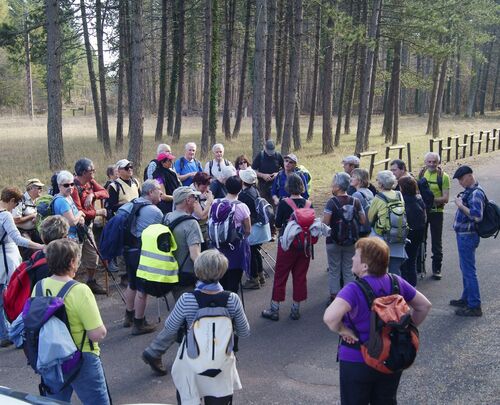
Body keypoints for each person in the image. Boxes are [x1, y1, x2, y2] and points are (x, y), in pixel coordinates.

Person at [323, 237, 432, 405]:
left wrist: (343, 330)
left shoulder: (353, 289)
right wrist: (404, 329)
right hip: (390, 356)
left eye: (356, 255)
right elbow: (424, 306)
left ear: (365, 266)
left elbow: (330, 318)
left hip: (357, 360)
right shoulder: (396, 281)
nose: (352, 258)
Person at [143, 250, 250, 404]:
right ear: (222, 271)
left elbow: (170, 327)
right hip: (221, 361)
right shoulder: (232, 299)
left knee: (188, 394)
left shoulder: (187, 299)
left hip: (192, 360)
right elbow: (244, 331)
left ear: (198, 270)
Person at [142, 186, 204, 375]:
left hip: (170, 273)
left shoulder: (167, 217)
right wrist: (209, 275)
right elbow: (196, 256)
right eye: (195, 199)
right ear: (187, 201)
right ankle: (156, 351)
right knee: (187, 317)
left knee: (185, 316)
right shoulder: (191, 224)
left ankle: (187, 351)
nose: (197, 203)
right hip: (187, 277)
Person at [39, 239, 109, 404]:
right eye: (78, 259)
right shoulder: (80, 290)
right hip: (81, 356)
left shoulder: (39, 286)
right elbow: (97, 334)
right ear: (71, 262)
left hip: (51, 357)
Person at [262, 173, 312, 321]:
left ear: (287, 187)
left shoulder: (284, 203)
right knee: (300, 276)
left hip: (287, 245)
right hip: (304, 245)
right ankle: (296, 308)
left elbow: (277, 224)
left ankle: (275, 309)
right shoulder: (309, 204)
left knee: (280, 276)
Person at [0, 187, 44, 347]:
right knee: (12, 296)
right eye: (15, 204)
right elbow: (18, 239)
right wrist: (40, 246)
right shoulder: (5, 215)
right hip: (7, 259)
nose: (15, 208)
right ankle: (12, 333)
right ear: (11, 200)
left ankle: (4, 332)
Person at [121, 180, 164, 335]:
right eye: (159, 190)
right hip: (141, 252)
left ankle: (129, 316)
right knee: (142, 288)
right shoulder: (155, 212)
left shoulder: (133, 203)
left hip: (128, 249)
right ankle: (139, 323)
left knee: (132, 284)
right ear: (151, 192)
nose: (161, 192)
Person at [323, 173, 366, 305]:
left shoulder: (331, 202)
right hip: (351, 241)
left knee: (334, 270)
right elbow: (363, 221)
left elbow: (326, 222)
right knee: (348, 270)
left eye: (333, 183)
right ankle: (349, 298)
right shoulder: (355, 201)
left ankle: (335, 298)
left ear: (337, 186)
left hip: (333, 241)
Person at [451, 165, 486, 317]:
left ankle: (474, 305)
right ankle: (466, 298)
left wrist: (460, 205)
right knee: (465, 268)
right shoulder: (470, 191)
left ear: (469, 176)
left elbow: (477, 216)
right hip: (464, 235)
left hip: (468, 235)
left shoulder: (476, 193)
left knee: (469, 271)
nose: (460, 182)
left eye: (461, 179)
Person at [72, 158, 109, 295]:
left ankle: (91, 281)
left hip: (88, 227)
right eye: (91, 170)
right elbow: (79, 212)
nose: (94, 172)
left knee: (93, 256)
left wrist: (93, 194)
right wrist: (98, 212)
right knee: (75, 259)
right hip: (76, 230)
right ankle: (71, 288)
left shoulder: (90, 183)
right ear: (82, 172)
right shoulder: (74, 188)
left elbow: (105, 193)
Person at [211, 176, 251, 294]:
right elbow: (248, 230)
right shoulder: (242, 207)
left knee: (220, 281)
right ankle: (232, 307)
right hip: (235, 247)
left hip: (218, 247)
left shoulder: (216, 203)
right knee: (233, 284)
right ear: (240, 189)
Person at [367, 170, 408, 275]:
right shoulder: (399, 195)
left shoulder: (379, 197)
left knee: (379, 269)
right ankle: (396, 289)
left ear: (381, 184)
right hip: (398, 234)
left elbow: (370, 217)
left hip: (382, 235)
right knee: (395, 271)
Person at [418, 152, 450, 280]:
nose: (431, 164)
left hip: (437, 212)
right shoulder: (421, 174)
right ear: (425, 162)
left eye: (434, 162)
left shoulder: (444, 177)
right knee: (421, 240)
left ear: (438, 162)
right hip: (423, 211)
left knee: (436, 241)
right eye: (429, 162)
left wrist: (430, 200)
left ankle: (437, 268)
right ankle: (419, 267)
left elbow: (446, 198)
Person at [239, 168, 267, 289]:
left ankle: (254, 279)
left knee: (250, 253)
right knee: (256, 252)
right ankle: (261, 275)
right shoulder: (255, 190)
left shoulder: (243, 195)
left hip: (251, 226)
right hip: (259, 226)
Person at [398, 176, 427, 287]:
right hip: (419, 231)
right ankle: (413, 286)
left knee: (404, 262)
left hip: (408, 233)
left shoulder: (402, 201)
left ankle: (405, 286)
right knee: (413, 260)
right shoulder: (419, 198)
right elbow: (424, 215)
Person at [252, 140, 283, 237]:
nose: (270, 153)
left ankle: (273, 231)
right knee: (264, 209)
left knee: (274, 209)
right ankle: (265, 232)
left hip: (275, 187)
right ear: (264, 147)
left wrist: (277, 174)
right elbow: (253, 170)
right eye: (269, 151)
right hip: (262, 186)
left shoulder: (278, 156)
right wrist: (262, 175)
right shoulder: (260, 156)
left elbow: (284, 168)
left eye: (272, 151)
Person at [13, 178, 44, 260]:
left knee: (42, 249)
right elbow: (16, 220)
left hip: (33, 231)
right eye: (39, 188)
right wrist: (32, 216)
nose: (41, 190)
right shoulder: (20, 200)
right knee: (29, 255)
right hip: (22, 232)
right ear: (31, 188)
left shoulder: (36, 200)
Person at [52, 171, 85, 242]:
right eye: (66, 185)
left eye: (72, 184)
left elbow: (74, 214)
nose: (70, 187)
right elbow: (72, 222)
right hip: (68, 239)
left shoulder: (68, 197)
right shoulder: (62, 201)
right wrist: (80, 213)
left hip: (75, 236)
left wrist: (80, 218)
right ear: (59, 186)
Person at [191, 172, 214, 251]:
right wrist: (210, 201)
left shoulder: (205, 192)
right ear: (196, 184)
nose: (206, 190)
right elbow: (202, 215)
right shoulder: (192, 195)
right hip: (196, 229)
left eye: (207, 187)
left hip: (206, 228)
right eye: (203, 187)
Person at [350, 168, 374, 237]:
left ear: (360, 180)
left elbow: (352, 214)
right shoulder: (369, 191)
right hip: (369, 227)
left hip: (360, 229)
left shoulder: (357, 195)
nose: (351, 179)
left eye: (353, 177)